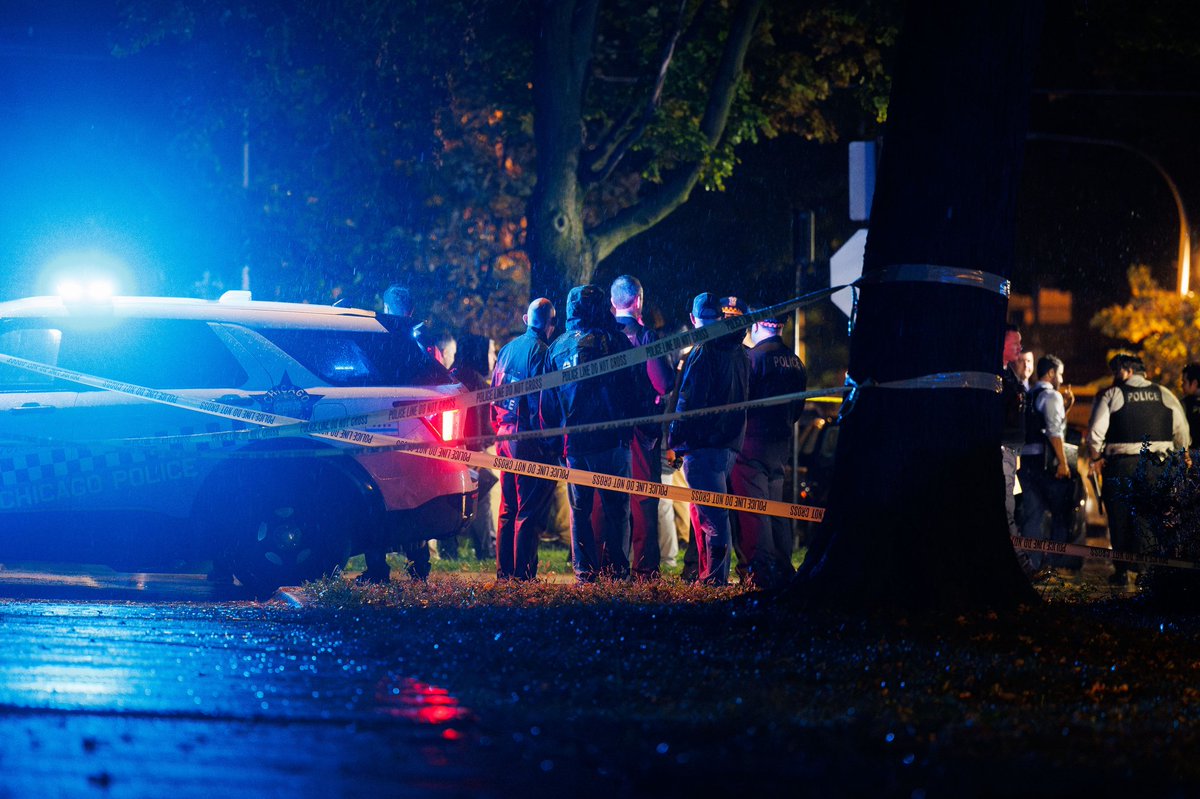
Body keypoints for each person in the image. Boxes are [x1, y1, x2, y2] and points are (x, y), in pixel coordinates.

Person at [542, 285, 641, 583]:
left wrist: (554, 442)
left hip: (577, 445)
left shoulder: (557, 347)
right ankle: (618, 571)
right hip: (612, 440)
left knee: (580, 511)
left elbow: (549, 403)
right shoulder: (617, 341)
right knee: (617, 510)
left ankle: (585, 572)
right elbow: (631, 390)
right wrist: (630, 426)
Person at [1087, 353, 1191, 587]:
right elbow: (1182, 432)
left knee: (1120, 519)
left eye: (1117, 372)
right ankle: (1146, 571)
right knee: (1149, 519)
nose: (1115, 377)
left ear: (1128, 371)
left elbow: (1095, 434)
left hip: (1121, 466)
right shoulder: (1165, 394)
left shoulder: (1113, 395)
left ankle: (1122, 570)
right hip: (1157, 466)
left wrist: (1096, 458)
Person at [667, 292, 749, 586]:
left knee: (713, 518)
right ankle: (708, 576)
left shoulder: (703, 352)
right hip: (728, 443)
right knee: (707, 513)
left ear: (693, 319)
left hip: (702, 445)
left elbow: (689, 402)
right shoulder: (739, 350)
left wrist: (675, 439)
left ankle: (715, 580)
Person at [730, 308, 807, 589]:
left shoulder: (752, 359)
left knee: (753, 510)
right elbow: (798, 408)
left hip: (751, 444)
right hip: (780, 443)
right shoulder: (796, 362)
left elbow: (739, 404)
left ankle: (759, 573)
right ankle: (784, 567)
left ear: (760, 324)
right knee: (777, 510)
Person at [610, 275, 674, 579]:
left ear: (612, 303)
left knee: (609, 499)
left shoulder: (603, 336)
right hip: (641, 432)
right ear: (639, 301)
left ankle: (609, 566)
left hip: (608, 431)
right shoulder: (646, 338)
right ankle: (646, 570)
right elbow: (664, 382)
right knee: (644, 500)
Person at [491, 299, 558, 580]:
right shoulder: (543, 353)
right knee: (528, 510)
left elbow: (493, 392)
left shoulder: (507, 349)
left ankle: (504, 572)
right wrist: (547, 441)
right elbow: (541, 402)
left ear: (525, 319)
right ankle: (523, 577)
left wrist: (496, 426)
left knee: (507, 507)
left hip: (503, 435)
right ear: (551, 325)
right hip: (527, 439)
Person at [1018, 355, 1081, 578]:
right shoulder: (1051, 395)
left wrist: (1066, 408)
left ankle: (1031, 566)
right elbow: (1055, 433)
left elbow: (1039, 425)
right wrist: (1063, 463)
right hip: (1046, 466)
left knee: (1033, 515)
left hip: (1027, 462)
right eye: (1060, 374)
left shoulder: (1029, 394)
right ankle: (1052, 564)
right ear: (1051, 373)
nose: (1062, 379)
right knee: (1060, 514)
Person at [453, 333, 498, 561]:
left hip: (450, 449)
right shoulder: (477, 380)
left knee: (451, 499)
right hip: (473, 450)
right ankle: (486, 548)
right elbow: (483, 420)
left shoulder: (451, 375)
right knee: (483, 502)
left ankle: (449, 548)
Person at [1181, 363, 1200, 447]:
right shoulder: (1185, 403)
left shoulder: (1184, 405)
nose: (1182, 385)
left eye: (1184, 382)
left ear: (1194, 383)